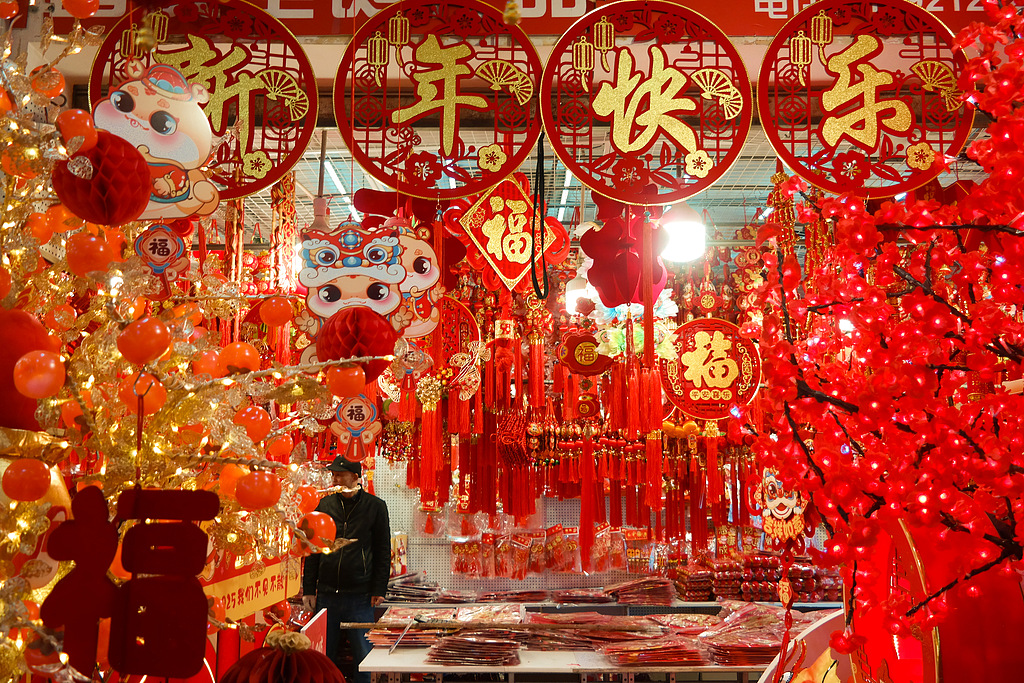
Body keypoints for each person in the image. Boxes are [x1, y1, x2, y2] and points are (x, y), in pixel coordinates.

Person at [302, 457, 390, 683]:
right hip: (327, 595)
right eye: (334, 474)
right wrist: (309, 589)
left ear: (355, 477)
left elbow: (382, 551)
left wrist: (378, 588)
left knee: (364, 658)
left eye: (340, 474)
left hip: (360, 597)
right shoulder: (325, 505)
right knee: (322, 657)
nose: (335, 478)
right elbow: (313, 548)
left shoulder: (375, 506)